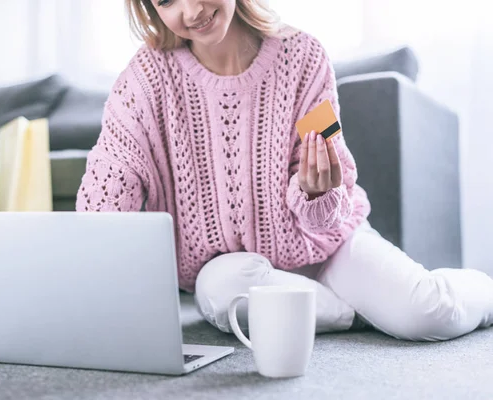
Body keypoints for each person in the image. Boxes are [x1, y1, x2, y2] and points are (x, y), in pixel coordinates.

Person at [76, 0, 493, 341]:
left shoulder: (303, 56)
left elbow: (333, 199)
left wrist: (317, 193)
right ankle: (361, 313)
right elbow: (111, 185)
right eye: (167, 1)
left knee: (428, 315)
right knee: (221, 292)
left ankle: (481, 292)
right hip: (233, 268)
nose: (191, 10)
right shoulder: (143, 80)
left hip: (325, 247)